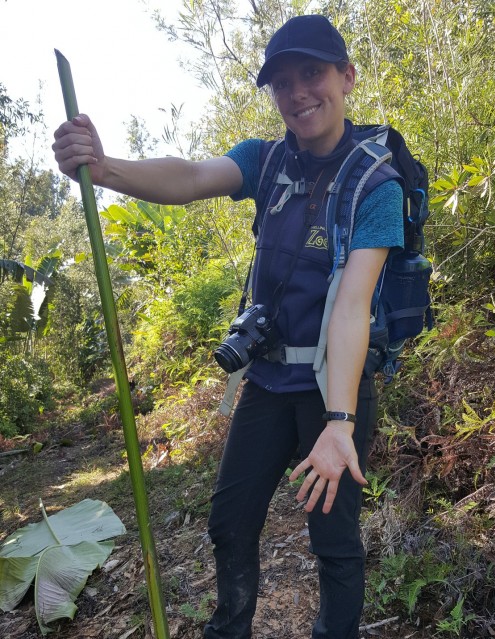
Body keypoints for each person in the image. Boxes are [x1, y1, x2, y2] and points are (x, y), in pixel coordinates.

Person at [53, 14, 403, 639]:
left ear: (346, 78)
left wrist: (340, 424)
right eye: (282, 82)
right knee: (230, 521)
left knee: (334, 539)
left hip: (335, 388)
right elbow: (189, 177)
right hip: (267, 381)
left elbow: (353, 306)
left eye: (313, 74)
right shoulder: (264, 162)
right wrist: (104, 169)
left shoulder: (375, 183)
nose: (298, 93)